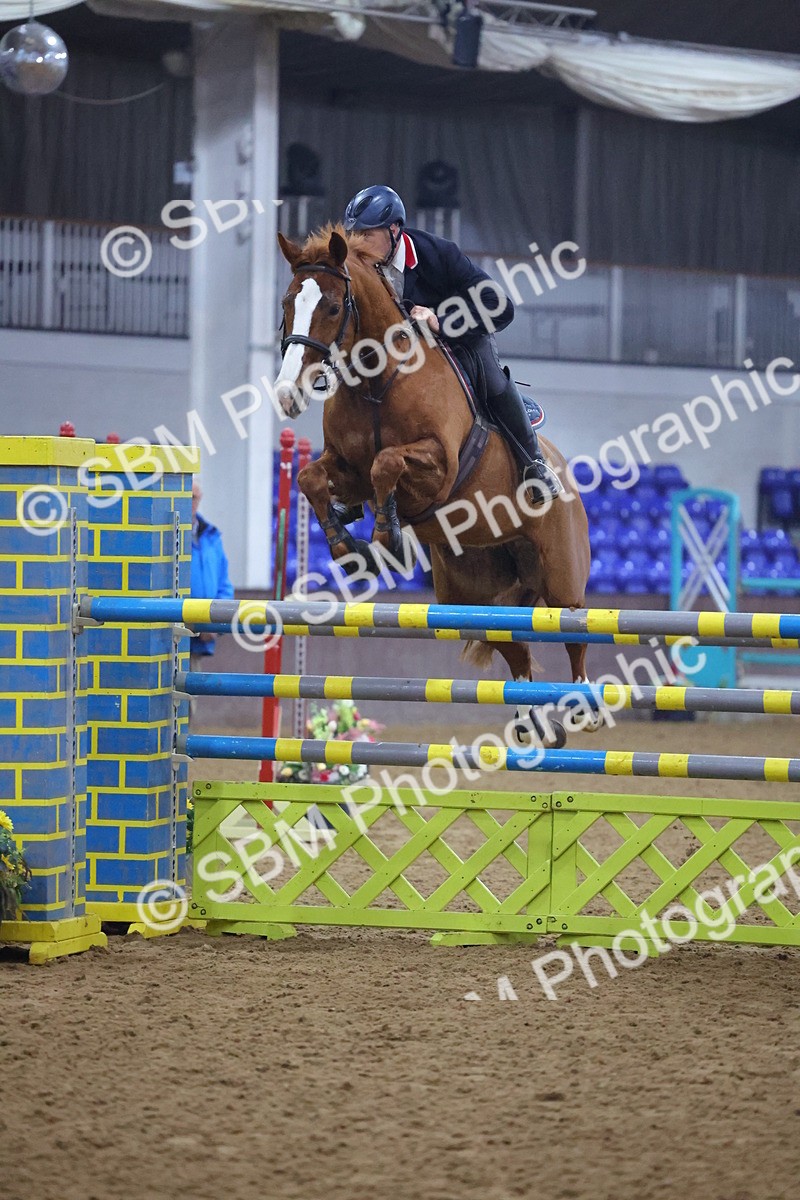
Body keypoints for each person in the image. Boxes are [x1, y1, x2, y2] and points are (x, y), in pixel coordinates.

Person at [343, 183, 563, 500]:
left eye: (366, 235)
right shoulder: (360, 269)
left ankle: (534, 465)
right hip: (400, 354)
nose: (357, 245)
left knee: (491, 375)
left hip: (460, 342)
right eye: (353, 236)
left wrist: (439, 322)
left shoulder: (438, 254)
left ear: (394, 230)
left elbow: (500, 306)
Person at [189, 482, 234, 674]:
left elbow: (224, 584)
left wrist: (214, 623)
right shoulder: (164, 535)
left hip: (198, 642)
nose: (189, 503)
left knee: (189, 698)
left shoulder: (211, 536)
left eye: (192, 497)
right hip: (173, 637)